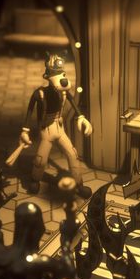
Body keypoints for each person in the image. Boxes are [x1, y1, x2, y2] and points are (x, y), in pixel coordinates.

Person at [20, 53, 93, 197]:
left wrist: (82, 118)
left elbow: (74, 104)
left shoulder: (64, 93)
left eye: (62, 74)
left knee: (73, 154)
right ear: (47, 76)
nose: (62, 78)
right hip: (46, 131)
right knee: (41, 160)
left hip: (59, 129)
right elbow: (30, 110)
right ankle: (35, 179)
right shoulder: (39, 93)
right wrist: (25, 131)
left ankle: (79, 185)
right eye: (55, 74)